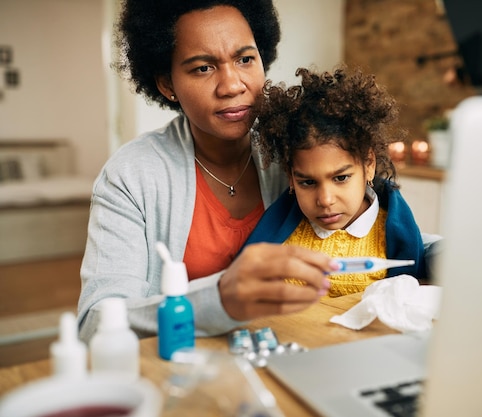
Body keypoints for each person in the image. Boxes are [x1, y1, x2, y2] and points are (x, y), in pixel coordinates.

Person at [78, 0, 440, 342]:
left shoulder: (297, 153)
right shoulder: (131, 176)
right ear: (167, 84)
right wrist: (218, 301)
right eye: (203, 68)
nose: (233, 85)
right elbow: (96, 322)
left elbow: (394, 236)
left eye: (245, 59)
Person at [244, 67, 431, 297]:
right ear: (290, 177)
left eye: (341, 178)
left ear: (369, 164)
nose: (325, 200)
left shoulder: (394, 236)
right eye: (307, 183)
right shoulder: (277, 232)